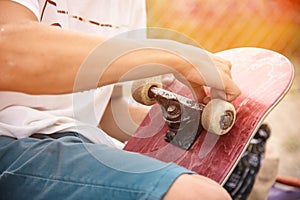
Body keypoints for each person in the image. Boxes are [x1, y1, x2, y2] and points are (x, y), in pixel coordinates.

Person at [0, 0, 241, 199]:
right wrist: (170, 56)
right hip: (10, 137)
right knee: (197, 196)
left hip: (73, 142)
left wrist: (180, 120)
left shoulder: (130, 4)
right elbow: (8, 54)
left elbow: (102, 110)